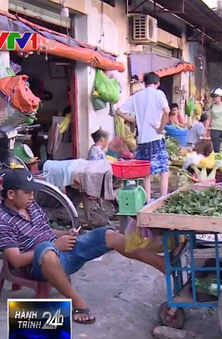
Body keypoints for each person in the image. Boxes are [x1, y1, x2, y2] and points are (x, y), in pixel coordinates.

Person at [0, 168, 168, 324]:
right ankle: (77, 302)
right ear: (10, 194)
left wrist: (64, 234)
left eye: (32, 192)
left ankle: (163, 265)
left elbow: (44, 230)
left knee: (108, 235)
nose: (32, 196)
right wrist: (56, 246)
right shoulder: (4, 221)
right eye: (27, 192)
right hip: (42, 263)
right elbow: (15, 260)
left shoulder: (30, 205)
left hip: (63, 250)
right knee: (46, 250)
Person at [117, 72, 170, 202]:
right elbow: (167, 111)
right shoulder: (159, 94)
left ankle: (148, 199)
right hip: (156, 138)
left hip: (142, 140)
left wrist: (137, 121)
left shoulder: (137, 96)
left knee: (146, 170)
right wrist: (160, 128)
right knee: (164, 169)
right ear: (157, 83)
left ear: (144, 83)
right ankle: (163, 198)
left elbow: (119, 111)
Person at [205, 87, 222, 153]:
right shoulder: (212, 106)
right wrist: (205, 130)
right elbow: (209, 119)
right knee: (216, 149)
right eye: (213, 97)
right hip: (215, 129)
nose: (214, 99)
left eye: (216, 97)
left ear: (220, 97)